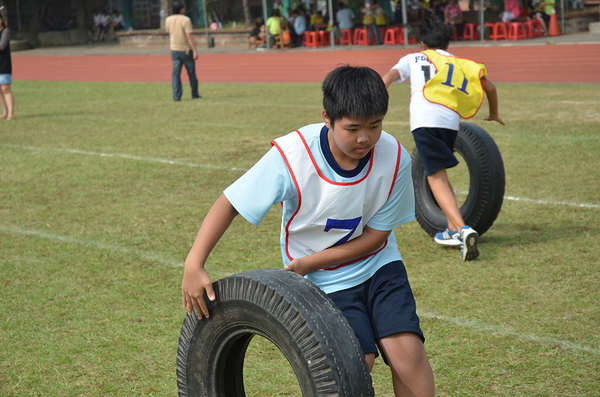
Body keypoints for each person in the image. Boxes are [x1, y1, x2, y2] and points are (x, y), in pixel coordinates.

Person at [182, 65, 435, 396]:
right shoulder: (293, 155)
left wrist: (312, 261)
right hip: (322, 279)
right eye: (353, 128)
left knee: (408, 356)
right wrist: (194, 262)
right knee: (357, 362)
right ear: (327, 118)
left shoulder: (395, 158)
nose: (365, 138)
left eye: (375, 126)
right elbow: (232, 201)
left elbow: (377, 237)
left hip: (377, 263)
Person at [382, 17, 504, 261]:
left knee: (434, 176)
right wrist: (493, 113)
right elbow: (489, 88)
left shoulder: (413, 58)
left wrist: (375, 104)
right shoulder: (459, 63)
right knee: (439, 174)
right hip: (450, 124)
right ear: (448, 42)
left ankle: (462, 230)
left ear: (422, 42)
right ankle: (451, 228)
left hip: (424, 122)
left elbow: (388, 78)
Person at [165, 1, 200, 101]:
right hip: (185, 50)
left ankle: (176, 96)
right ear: (181, 9)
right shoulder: (186, 20)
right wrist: (195, 50)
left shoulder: (168, 20)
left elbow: (168, 31)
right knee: (191, 73)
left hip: (174, 49)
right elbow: (189, 35)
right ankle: (194, 93)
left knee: (176, 74)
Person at [0, 11, 14, 120]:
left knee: (5, 88)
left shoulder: (6, 31)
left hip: (3, 64)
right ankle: (4, 112)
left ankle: (11, 113)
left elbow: (2, 46)